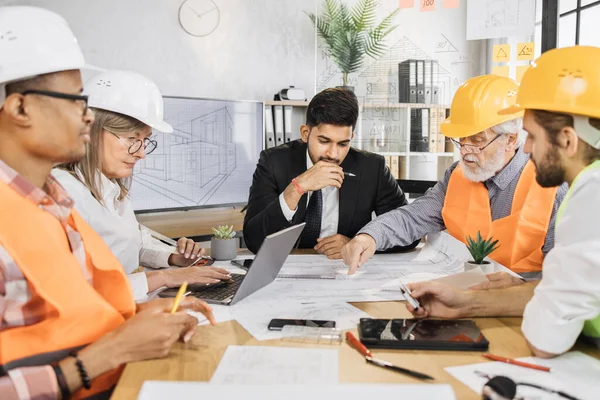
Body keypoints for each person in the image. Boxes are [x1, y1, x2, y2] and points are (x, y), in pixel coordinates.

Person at [0, 7, 214, 399]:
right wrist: (105, 353)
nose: (88, 118)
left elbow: (75, 310)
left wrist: (133, 319)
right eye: (77, 102)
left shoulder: (51, 200)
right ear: (20, 108)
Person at [404, 46, 600, 358]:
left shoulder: (593, 194)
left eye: (531, 137)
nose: (526, 149)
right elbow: (554, 293)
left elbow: (546, 338)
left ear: (567, 139)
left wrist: (539, 288)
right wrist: (465, 302)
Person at [342, 75, 567, 279]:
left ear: (510, 139)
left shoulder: (552, 188)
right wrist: (369, 237)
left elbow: (563, 281)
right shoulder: (457, 175)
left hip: (521, 308)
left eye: (477, 140)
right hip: (463, 293)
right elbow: (413, 217)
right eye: (461, 138)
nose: (465, 149)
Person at [53, 70, 232, 301]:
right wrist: (167, 278)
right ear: (91, 130)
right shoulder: (64, 193)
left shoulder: (112, 188)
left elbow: (130, 245)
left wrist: (174, 258)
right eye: (131, 139)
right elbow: (77, 289)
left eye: (145, 140)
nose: (141, 153)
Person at [243, 88, 416, 258]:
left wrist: (359, 243)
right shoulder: (273, 162)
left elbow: (408, 230)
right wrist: (297, 188)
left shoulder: (372, 167)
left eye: (342, 144)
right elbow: (255, 241)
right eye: (324, 141)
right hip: (285, 268)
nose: (333, 154)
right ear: (305, 133)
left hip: (344, 271)